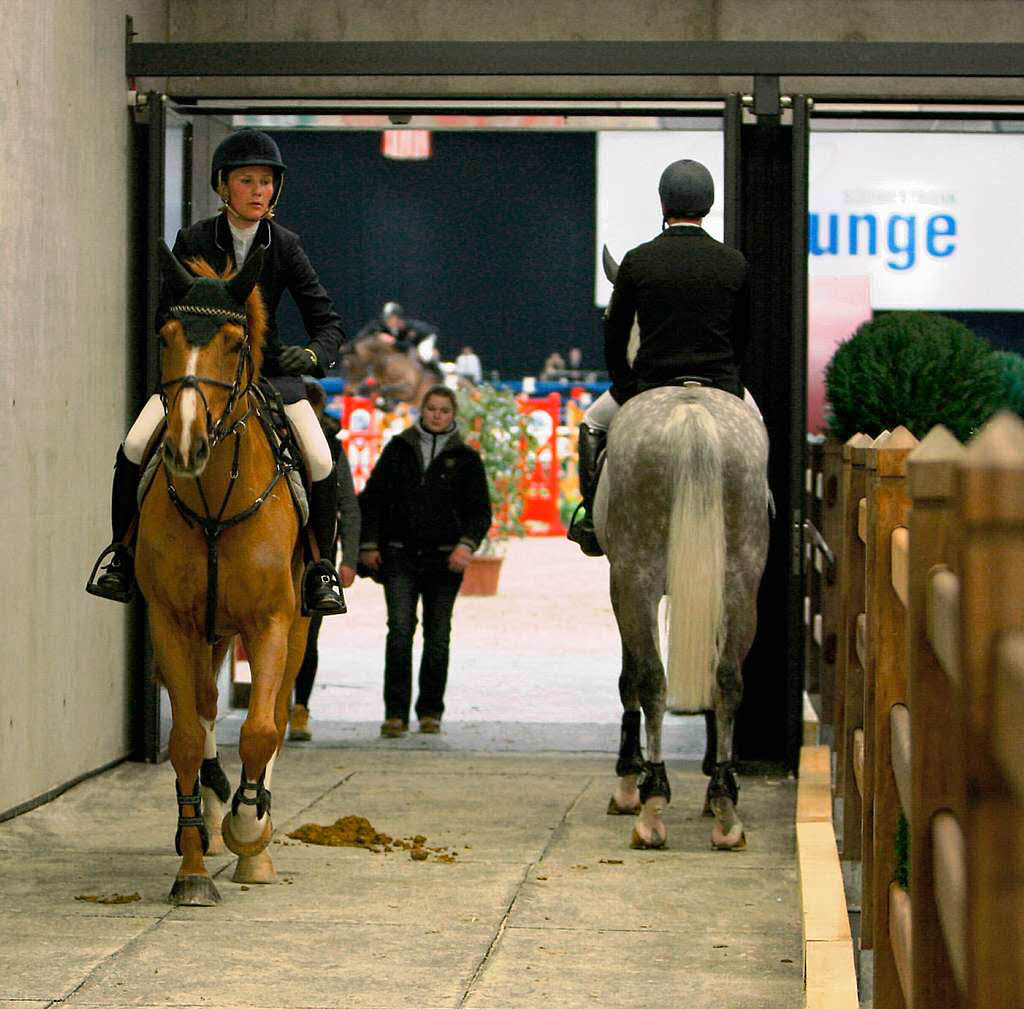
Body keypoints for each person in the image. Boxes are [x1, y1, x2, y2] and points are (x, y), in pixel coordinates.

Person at [87, 128, 348, 613]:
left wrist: (311, 357)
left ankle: (320, 569)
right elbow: (167, 316)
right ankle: (121, 556)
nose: (258, 192)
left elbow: (327, 323)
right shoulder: (195, 239)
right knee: (134, 447)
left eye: (267, 183)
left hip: (269, 377)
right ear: (223, 187)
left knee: (320, 457)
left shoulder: (285, 245)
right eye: (247, 181)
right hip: (199, 376)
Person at [568, 158, 753, 557]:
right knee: (755, 429)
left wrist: (626, 384)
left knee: (593, 423)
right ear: (707, 204)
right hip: (720, 382)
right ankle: (762, 503)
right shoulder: (733, 263)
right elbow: (744, 335)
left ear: (663, 205)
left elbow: (614, 333)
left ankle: (589, 518)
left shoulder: (638, 260)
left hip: (652, 383)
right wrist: (730, 378)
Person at [357, 385, 492, 738]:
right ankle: (395, 714)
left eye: (444, 410)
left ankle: (430, 711)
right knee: (400, 632)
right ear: (422, 411)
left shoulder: (466, 458)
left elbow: (480, 512)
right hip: (399, 555)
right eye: (431, 409)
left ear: (453, 415)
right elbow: (371, 499)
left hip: (445, 561)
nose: (437, 415)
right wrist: (368, 544)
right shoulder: (398, 450)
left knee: (438, 636)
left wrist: (466, 546)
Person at [289, 381, 361, 741]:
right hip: (277, 550)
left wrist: (347, 560)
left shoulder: (331, 449)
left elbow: (347, 505)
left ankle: (300, 707)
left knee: (308, 635)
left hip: (314, 553)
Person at [356, 301, 438, 356]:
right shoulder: (384, 326)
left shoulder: (410, 328)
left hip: (426, 337)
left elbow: (408, 347)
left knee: (425, 355)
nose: (387, 321)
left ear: (398, 318)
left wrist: (392, 341)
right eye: (386, 318)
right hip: (410, 344)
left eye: (390, 318)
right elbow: (363, 335)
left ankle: (442, 373)